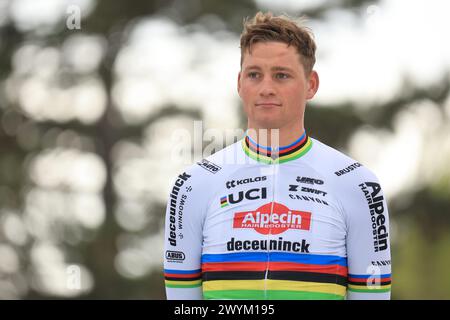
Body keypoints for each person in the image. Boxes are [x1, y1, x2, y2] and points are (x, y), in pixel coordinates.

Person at [164, 11, 391, 300]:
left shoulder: (358, 185)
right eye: (254, 75)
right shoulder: (193, 185)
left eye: (281, 75)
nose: (266, 88)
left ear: (311, 84)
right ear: (239, 83)